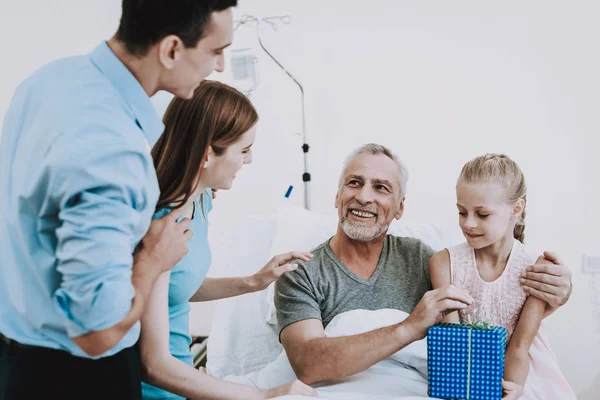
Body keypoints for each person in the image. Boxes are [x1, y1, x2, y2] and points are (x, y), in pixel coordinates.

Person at [0, 1, 237, 399]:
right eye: (215, 51)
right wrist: (151, 261)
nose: (220, 66)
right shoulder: (113, 152)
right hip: (76, 378)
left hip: (14, 360)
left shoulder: (50, 80)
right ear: (171, 50)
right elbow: (97, 333)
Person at [275, 143, 573, 386]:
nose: (364, 196)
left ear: (400, 207)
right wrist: (410, 326)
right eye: (354, 183)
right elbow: (308, 365)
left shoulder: (423, 258)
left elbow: (491, 311)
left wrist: (557, 291)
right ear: (338, 195)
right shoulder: (301, 272)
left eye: (381, 187)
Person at [140, 80, 317, 400]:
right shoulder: (160, 225)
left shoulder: (201, 199)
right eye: (244, 150)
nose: (248, 161)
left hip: (182, 380)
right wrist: (264, 395)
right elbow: (154, 365)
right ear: (208, 153)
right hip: (154, 388)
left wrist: (253, 282)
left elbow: (178, 286)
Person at [429, 153, 576, 399]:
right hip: (464, 370)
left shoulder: (536, 267)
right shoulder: (443, 263)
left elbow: (520, 346)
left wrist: (512, 389)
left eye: (482, 214)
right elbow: (454, 341)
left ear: (516, 208)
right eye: (462, 212)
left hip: (521, 373)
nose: (469, 224)